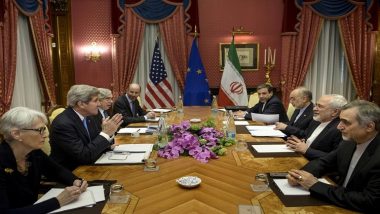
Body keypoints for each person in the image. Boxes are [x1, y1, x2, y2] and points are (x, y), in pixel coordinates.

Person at [287, 100, 380, 212]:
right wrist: (299, 176)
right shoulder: (349, 142)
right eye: (340, 121)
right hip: (339, 201)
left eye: (346, 122)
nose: (339, 127)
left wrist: (315, 185)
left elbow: (370, 201)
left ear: (369, 126)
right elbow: (323, 163)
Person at [0, 107, 88, 213]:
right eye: (40, 130)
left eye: (45, 129)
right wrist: (58, 201)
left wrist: (75, 180)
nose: (46, 135)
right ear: (16, 134)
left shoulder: (33, 152)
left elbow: (56, 170)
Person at [50, 85, 123, 170]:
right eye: (96, 101)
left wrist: (108, 138)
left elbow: (94, 143)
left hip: (91, 164)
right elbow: (83, 156)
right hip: (72, 172)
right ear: (81, 104)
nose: (99, 104)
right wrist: (105, 133)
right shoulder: (64, 124)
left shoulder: (88, 117)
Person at [285, 94, 347, 160]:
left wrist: (307, 150)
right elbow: (309, 139)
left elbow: (336, 159)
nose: (314, 109)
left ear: (335, 112)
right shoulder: (316, 120)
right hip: (300, 157)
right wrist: (298, 142)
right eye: (316, 105)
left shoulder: (340, 129)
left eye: (320, 106)